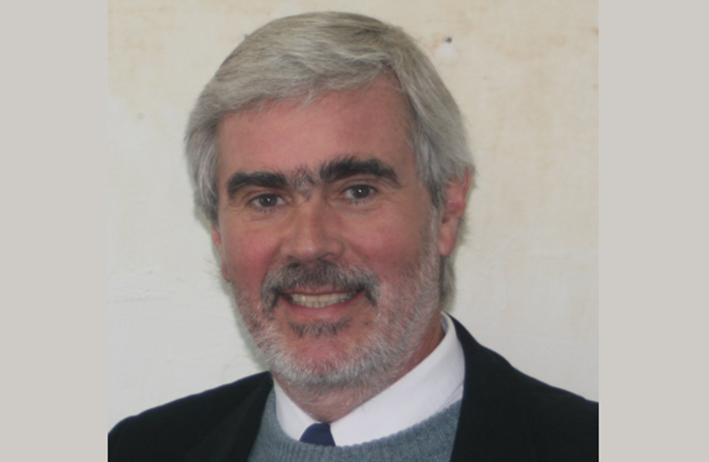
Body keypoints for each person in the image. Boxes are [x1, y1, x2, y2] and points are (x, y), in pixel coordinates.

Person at [108, 11, 598, 462]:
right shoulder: (139, 450)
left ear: (447, 210)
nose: (308, 244)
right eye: (267, 199)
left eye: (357, 191)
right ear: (218, 233)